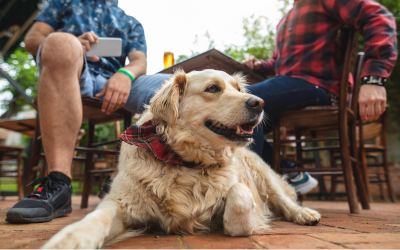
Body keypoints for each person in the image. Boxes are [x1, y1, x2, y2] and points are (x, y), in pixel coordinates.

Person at [6, 0, 171, 223]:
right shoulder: (62, 3)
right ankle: (59, 183)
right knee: (59, 42)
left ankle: (133, 179)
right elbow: (32, 40)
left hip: (116, 80)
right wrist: (74, 43)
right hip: (73, 71)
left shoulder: (130, 23)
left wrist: (125, 74)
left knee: (180, 86)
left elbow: (139, 60)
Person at [241, 0, 397, 195]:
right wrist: (259, 65)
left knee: (242, 102)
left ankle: (248, 194)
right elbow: (277, 62)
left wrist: (374, 78)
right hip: (292, 83)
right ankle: (290, 173)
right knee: (241, 122)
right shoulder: (285, 20)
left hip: (321, 86)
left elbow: (377, 17)